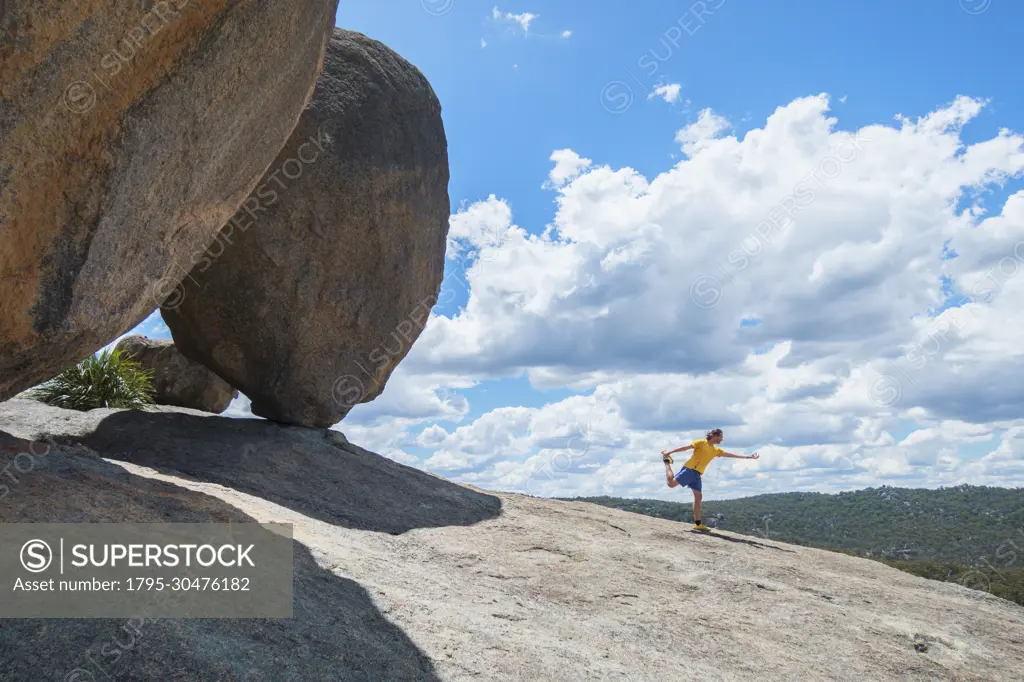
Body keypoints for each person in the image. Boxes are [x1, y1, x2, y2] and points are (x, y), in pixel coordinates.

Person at [661, 428, 759, 532]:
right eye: (721, 436)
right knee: (671, 484)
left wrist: (748, 457)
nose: (721, 439)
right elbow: (685, 448)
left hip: (697, 474)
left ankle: (698, 524)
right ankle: (667, 462)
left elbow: (730, 455)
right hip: (689, 470)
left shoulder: (716, 450)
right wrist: (670, 452)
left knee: (698, 497)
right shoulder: (700, 443)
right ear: (715, 436)